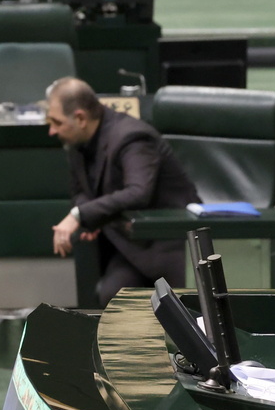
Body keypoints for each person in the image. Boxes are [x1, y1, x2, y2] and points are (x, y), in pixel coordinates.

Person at [46, 77, 200, 307]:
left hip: (170, 246)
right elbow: (80, 192)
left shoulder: (132, 137)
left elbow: (138, 192)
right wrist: (92, 218)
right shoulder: (77, 143)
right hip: (130, 247)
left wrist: (79, 215)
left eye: (56, 122)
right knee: (113, 299)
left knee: (178, 312)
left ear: (80, 118)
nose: (51, 131)